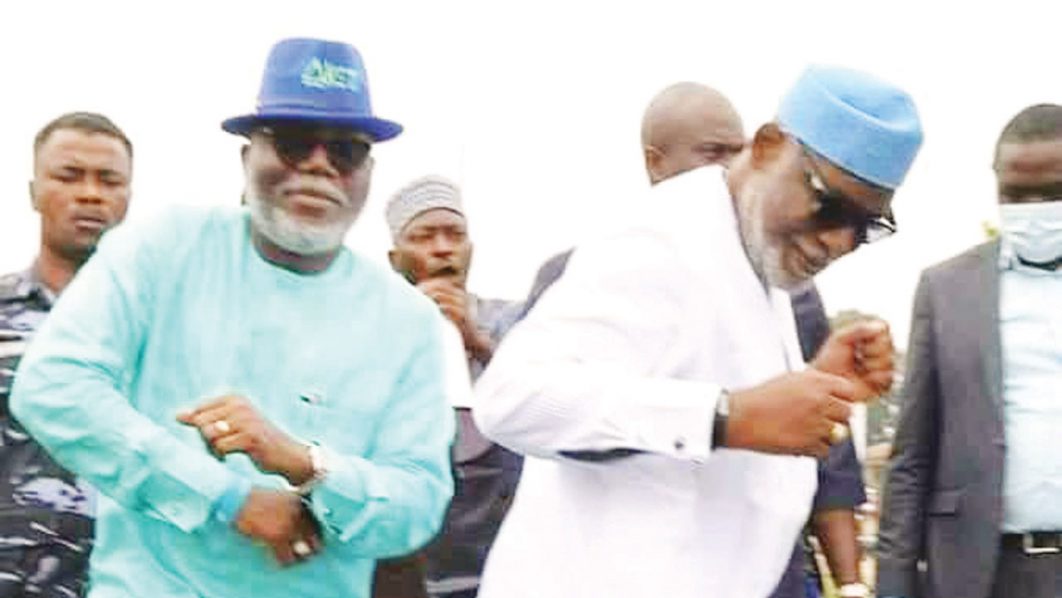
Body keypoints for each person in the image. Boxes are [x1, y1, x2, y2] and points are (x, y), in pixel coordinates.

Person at [10, 38, 454, 598]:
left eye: (345, 151)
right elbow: (52, 388)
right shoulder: (163, 247)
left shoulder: (408, 321)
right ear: (248, 159)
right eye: (293, 143)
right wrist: (225, 496)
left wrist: (304, 464)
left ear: (367, 171)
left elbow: (418, 505)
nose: (318, 166)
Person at [473, 65, 922, 598]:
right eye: (830, 205)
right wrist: (727, 417)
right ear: (768, 147)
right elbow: (513, 400)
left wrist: (817, 387)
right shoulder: (662, 239)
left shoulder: (756, 251)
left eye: (866, 226)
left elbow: (731, 405)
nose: (839, 242)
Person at [877, 103, 1062, 598]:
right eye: (1016, 195)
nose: (1034, 210)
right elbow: (911, 456)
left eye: (1053, 193)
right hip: (982, 571)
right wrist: (893, 583)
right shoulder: (947, 290)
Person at [0, 111, 132, 597]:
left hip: (130, 579)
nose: (90, 194)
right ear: (34, 192)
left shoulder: (159, 327)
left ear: (128, 197)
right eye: (69, 176)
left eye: (109, 180)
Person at [378, 175, 523, 598]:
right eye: (424, 237)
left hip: (503, 554)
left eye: (454, 235)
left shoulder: (512, 321)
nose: (443, 248)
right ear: (395, 259)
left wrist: (476, 341)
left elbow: (544, 396)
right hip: (408, 560)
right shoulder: (372, 328)